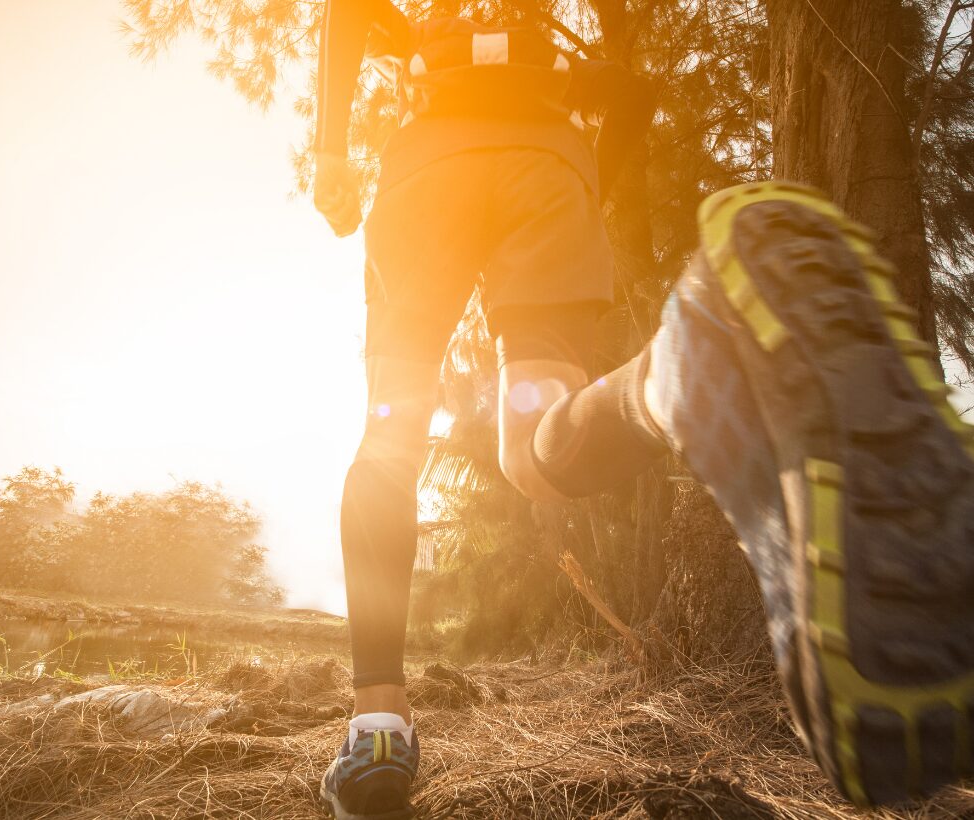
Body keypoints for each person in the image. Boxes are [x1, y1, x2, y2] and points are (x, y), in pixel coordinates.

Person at [312, 2, 974, 817]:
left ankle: (378, 726)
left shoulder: (428, 30)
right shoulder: (542, 50)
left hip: (427, 172)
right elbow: (628, 91)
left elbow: (347, 10)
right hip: (546, 163)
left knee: (390, 441)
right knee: (535, 448)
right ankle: (676, 373)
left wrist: (332, 149)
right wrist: (592, 179)